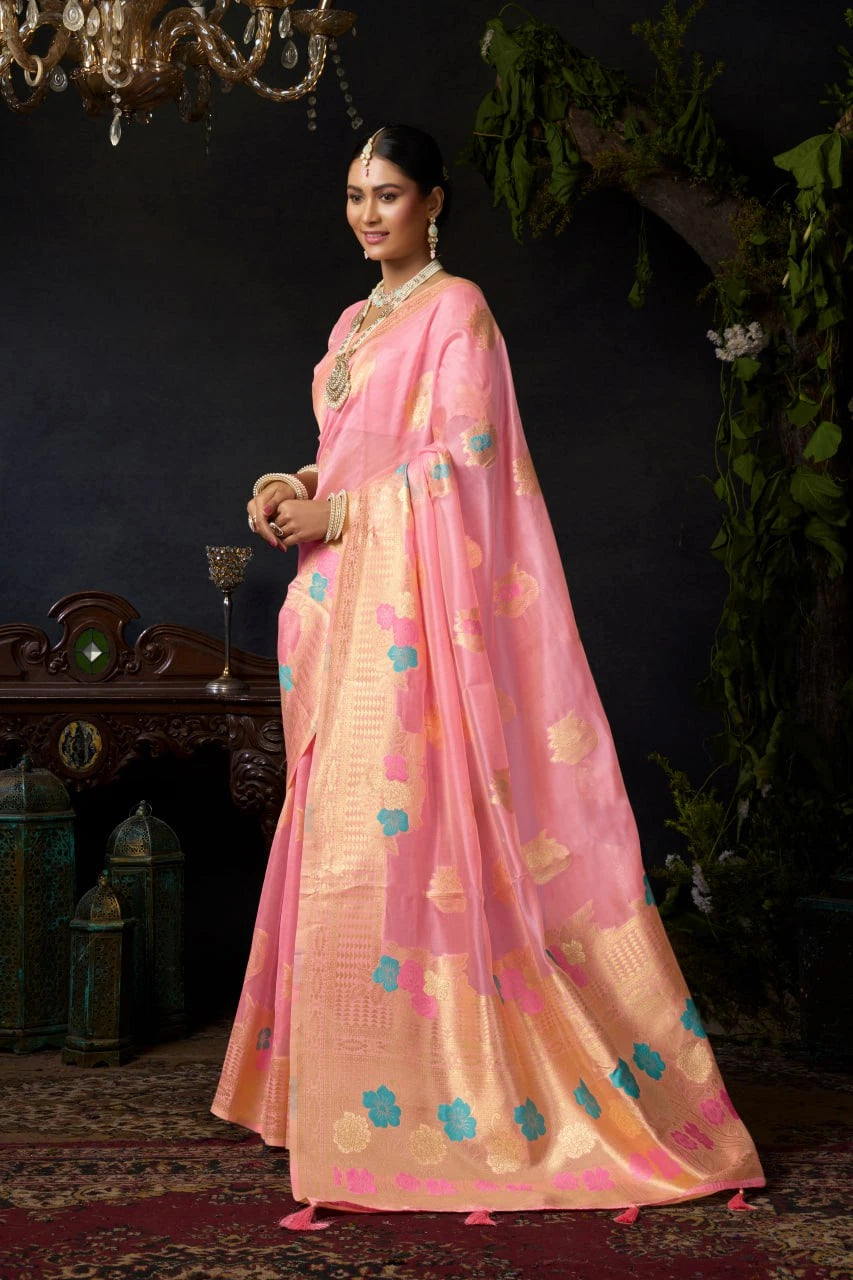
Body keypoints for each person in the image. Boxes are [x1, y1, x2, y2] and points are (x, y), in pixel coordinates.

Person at [212, 124, 765, 1227]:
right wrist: (296, 479)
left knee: (413, 841)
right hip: (340, 612)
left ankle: (445, 1095)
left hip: (414, 620)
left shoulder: (457, 310)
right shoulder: (349, 320)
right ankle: (348, 1096)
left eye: (390, 194)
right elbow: (357, 441)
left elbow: (464, 462)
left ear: (435, 203)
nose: (369, 213)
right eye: (357, 194)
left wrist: (344, 511)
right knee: (340, 845)